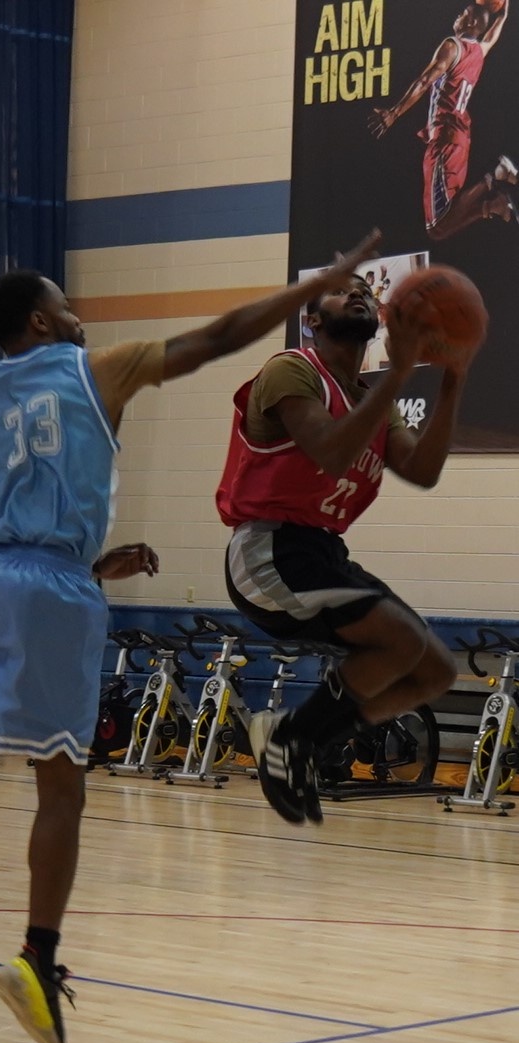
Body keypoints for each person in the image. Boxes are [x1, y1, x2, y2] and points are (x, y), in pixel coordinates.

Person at [0, 232, 379, 1043]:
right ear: (39, 321)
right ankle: (37, 958)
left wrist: (91, 559)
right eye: (65, 306)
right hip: (47, 594)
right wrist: (307, 291)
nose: (78, 316)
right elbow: (216, 339)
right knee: (61, 782)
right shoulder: (97, 367)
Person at [217, 267, 485, 826]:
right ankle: (295, 737)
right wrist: (403, 366)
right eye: (344, 291)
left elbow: (425, 469)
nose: (360, 294)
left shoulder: (373, 402)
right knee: (401, 640)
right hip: (269, 550)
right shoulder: (292, 370)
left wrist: (454, 376)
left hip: (320, 552)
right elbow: (331, 452)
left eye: (368, 290)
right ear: (310, 320)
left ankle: (300, 742)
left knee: (432, 670)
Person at [369, 1, 514, 240]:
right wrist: (504, 10)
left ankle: (495, 175)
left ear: (473, 22)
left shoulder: (452, 46)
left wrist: (394, 113)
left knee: (438, 223)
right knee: (437, 228)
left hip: (445, 136)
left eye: (463, 13)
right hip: (459, 135)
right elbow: (495, 30)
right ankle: (492, 206)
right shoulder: (479, 51)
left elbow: (424, 81)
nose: (458, 16)